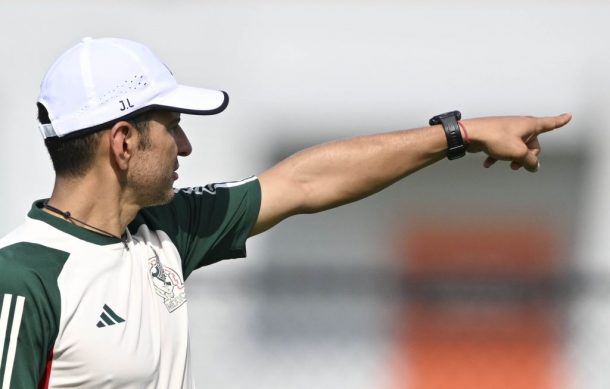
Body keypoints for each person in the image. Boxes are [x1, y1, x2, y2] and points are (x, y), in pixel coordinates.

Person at [0, 37, 571, 389]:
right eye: (173, 127)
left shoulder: (163, 231)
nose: (187, 146)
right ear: (123, 144)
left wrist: (461, 134)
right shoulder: (23, 277)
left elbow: (302, 181)